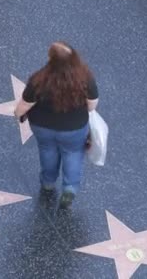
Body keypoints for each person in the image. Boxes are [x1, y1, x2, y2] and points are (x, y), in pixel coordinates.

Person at [14, 42, 99, 209]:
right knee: (73, 153)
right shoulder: (85, 78)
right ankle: (70, 187)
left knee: (47, 150)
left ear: (51, 60)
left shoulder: (39, 79)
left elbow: (24, 105)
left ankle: (48, 183)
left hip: (42, 126)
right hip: (74, 128)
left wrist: (17, 114)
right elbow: (92, 104)